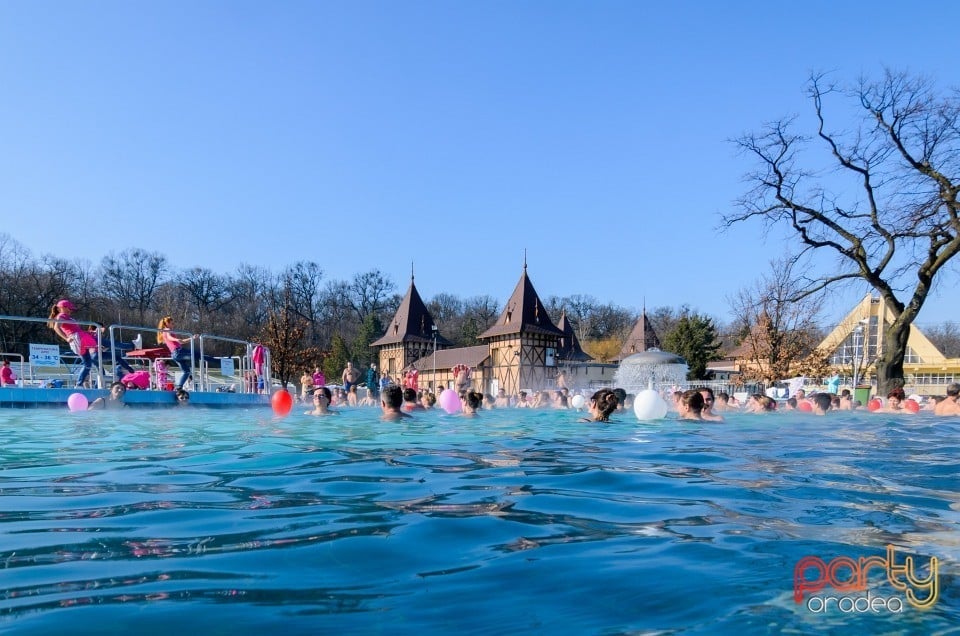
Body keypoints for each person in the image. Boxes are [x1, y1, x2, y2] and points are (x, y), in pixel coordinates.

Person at [48, 299, 100, 388]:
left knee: (88, 364)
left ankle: (80, 384)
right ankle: (80, 383)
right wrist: (66, 338)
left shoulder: (67, 316)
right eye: (69, 309)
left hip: (80, 337)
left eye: (71, 309)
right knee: (88, 363)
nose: (70, 311)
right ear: (62, 308)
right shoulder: (62, 315)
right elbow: (56, 327)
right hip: (77, 338)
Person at [157, 316, 196, 391]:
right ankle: (184, 381)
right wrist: (176, 339)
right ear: (167, 324)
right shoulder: (167, 330)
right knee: (194, 356)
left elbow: (182, 341)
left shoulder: (168, 331)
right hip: (177, 352)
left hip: (176, 353)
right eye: (172, 323)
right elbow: (169, 337)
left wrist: (192, 338)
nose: (173, 325)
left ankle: (179, 387)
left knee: (186, 371)